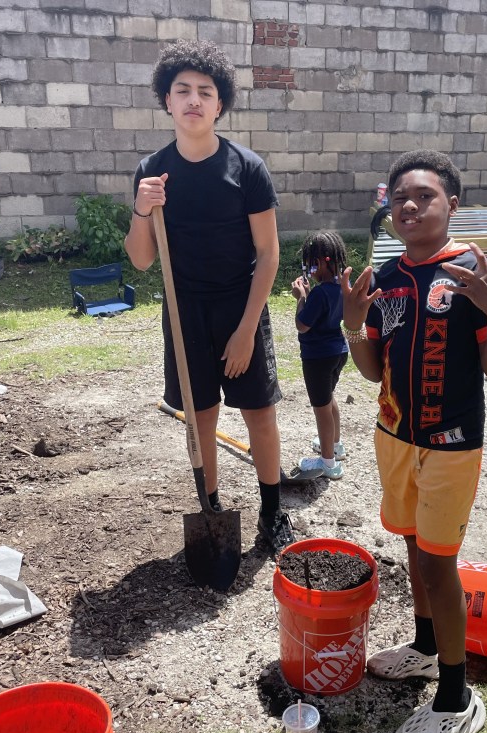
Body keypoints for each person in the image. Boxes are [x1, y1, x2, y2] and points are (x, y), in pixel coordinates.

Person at [341, 150, 487, 733]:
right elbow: (372, 370)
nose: (410, 206)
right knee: (414, 546)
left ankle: (456, 698)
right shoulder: (386, 278)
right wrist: (353, 322)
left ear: (452, 205)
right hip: (394, 437)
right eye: (400, 198)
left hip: (450, 446)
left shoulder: (472, 273)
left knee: (440, 565)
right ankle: (423, 647)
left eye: (425, 196)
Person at [124, 40, 294, 553]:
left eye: (205, 91)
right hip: (184, 314)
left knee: (259, 413)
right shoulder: (153, 172)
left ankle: (272, 512)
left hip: (241, 308)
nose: (193, 99)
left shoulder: (246, 168)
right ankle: (212, 508)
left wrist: (246, 330)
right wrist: (142, 208)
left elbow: (268, 254)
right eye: (183, 90)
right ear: (167, 100)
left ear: (220, 104)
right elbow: (141, 260)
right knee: (201, 418)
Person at [290, 231, 349, 480]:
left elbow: (302, 325)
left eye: (311, 265)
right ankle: (335, 445)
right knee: (329, 399)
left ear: (322, 262)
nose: (310, 271)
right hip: (338, 352)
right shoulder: (341, 288)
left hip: (317, 357)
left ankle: (328, 463)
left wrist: (301, 298)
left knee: (321, 409)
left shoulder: (319, 293)